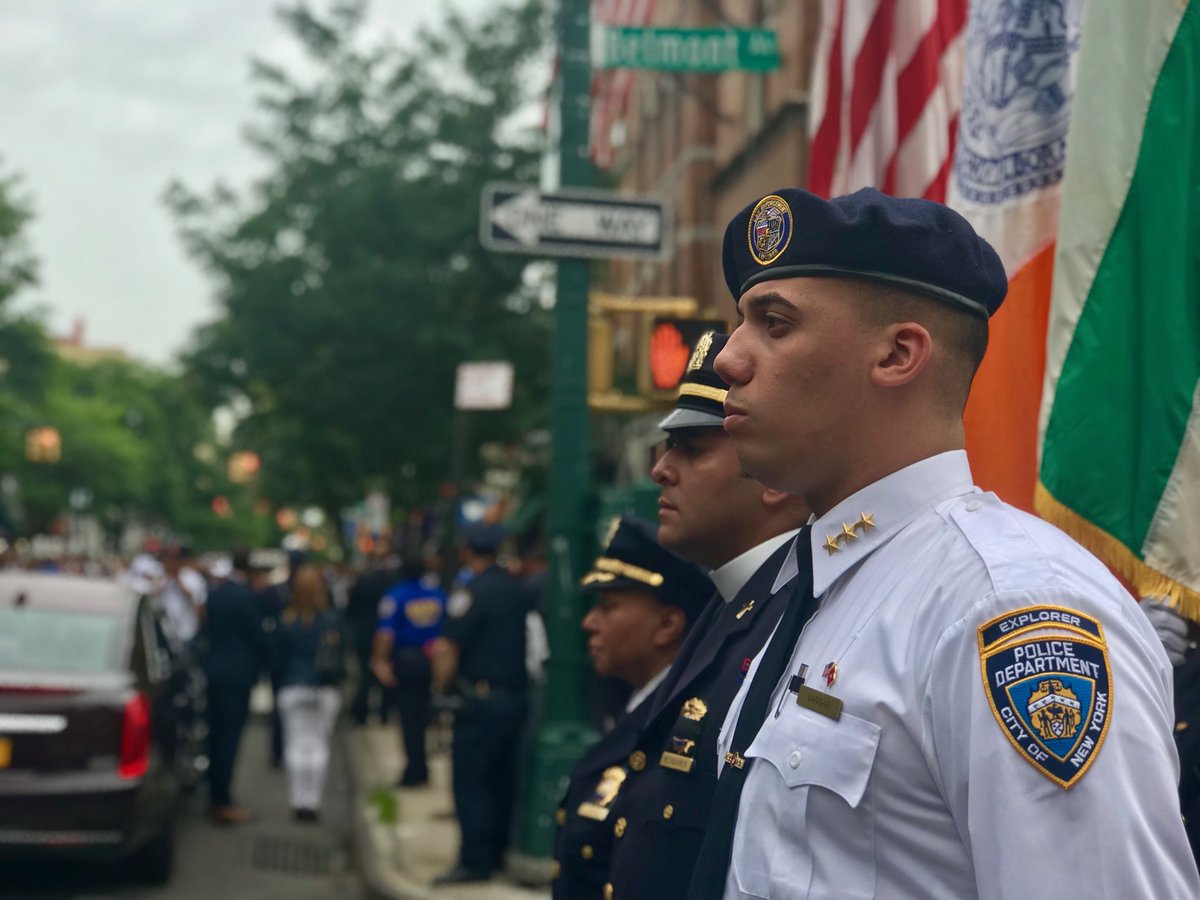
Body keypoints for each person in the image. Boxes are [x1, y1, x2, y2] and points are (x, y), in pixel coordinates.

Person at [685, 187, 1199, 898]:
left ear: (899, 354)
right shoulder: (812, 584)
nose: (728, 360)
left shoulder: (1006, 604)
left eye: (774, 323)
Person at [605, 332, 810, 899]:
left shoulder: (794, 617)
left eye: (692, 450)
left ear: (769, 475)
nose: (660, 471)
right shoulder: (731, 602)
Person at [552, 515, 711, 900]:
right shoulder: (639, 705)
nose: (589, 622)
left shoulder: (684, 723)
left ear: (668, 625)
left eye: (608, 607)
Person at [430, 522, 528, 885]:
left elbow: (447, 648)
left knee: (471, 783)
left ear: (468, 551)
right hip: (514, 699)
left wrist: (439, 690)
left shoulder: (470, 592)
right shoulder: (515, 590)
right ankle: (499, 852)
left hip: (478, 702)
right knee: (503, 781)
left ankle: (474, 860)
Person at [274, 562, 346, 821]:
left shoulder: (286, 620)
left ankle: (298, 799)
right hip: (324, 689)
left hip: (293, 686)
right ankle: (312, 800)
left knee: (295, 745)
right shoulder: (331, 620)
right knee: (319, 746)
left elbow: (277, 660)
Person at [370, 556, 447, 787]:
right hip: (432, 659)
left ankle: (414, 768)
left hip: (406, 661)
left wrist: (379, 660)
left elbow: (386, 632)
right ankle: (422, 765)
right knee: (425, 716)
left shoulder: (396, 595)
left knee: (408, 717)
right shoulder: (438, 595)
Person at [201, 549, 264, 825]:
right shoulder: (246, 596)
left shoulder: (216, 592)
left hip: (214, 671)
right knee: (229, 739)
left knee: (215, 736)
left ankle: (215, 793)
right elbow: (257, 636)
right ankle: (222, 800)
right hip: (238, 676)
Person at [348, 549, 400, 726]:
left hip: (363, 635)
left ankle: (360, 712)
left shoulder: (363, 582)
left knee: (365, 673)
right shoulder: (393, 584)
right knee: (385, 672)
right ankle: (385, 712)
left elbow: (351, 609)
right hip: (387, 635)